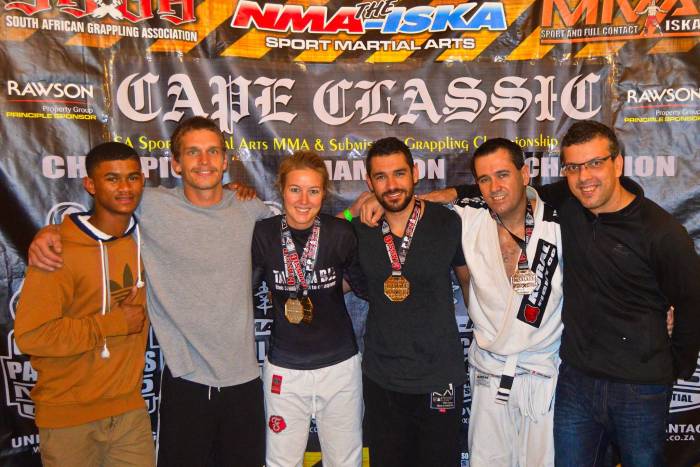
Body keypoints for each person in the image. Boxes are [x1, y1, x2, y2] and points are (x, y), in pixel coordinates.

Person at [396, 121, 700, 466]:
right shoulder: (563, 207)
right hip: (574, 379)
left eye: (595, 163)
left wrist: (672, 365)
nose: (584, 177)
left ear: (617, 164)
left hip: (632, 384)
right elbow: (491, 193)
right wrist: (425, 196)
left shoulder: (653, 230)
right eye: (574, 167)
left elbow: (692, 302)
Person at [27, 117, 268, 467]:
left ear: (225, 160)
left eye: (213, 151)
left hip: (244, 378)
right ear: (176, 164)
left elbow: (298, 223)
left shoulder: (249, 208)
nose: (204, 161)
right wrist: (50, 232)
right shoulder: (148, 204)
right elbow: (102, 213)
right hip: (186, 379)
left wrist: (353, 212)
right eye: (193, 152)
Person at [14, 142, 154, 467]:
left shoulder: (145, 239)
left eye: (132, 177)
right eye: (112, 179)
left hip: (129, 412)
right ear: (90, 185)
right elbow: (32, 335)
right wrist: (115, 324)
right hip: (69, 418)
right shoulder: (57, 250)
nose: (125, 188)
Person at [353, 137, 469, 467]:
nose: (391, 185)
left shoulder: (447, 222)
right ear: (369, 182)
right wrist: (352, 209)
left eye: (399, 173)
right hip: (383, 377)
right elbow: (325, 242)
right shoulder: (361, 228)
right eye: (381, 177)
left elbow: (467, 282)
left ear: (415, 173)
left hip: (439, 375)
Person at [452, 138, 563, 466]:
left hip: (543, 374)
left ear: (524, 174)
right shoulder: (468, 220)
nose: (494, 187)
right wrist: (352, 209)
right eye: (484, 179)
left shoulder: (560, 225)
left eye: (502, 175)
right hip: (489, 372)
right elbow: (406, 210)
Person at [252, 151, 366, 467]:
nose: (304, 200)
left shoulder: (340, 232)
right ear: (281, 189)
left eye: (313, 191)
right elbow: (245, 290)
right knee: (281, 461)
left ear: (323, 193)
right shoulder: (263, 234)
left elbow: (364, 287)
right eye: (295, 189)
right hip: (285, 370)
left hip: (339, 368)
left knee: (345, 461)